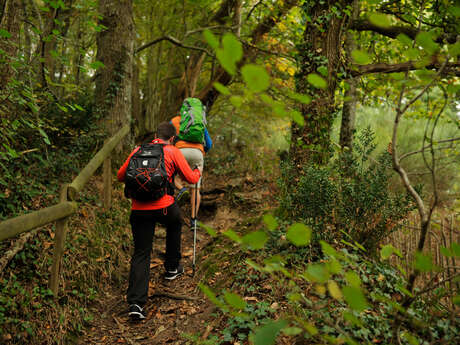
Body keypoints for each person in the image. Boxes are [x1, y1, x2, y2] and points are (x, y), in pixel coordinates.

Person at [117, 122, 201, 321]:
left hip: (138, 210)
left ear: (155, 135)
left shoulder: (138, 150)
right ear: (172, 138)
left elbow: (121, 176)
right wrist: (197, 171)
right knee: (175, 222)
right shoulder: (172, 151)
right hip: (163, 207)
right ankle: (172, 267)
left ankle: (136, 304)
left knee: (141, 252)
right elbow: (190, 178)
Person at [171, 104, 212, 230]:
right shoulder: (200, 122)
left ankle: (181, 190)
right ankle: (193, 220)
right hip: (197, 154)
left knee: (172, 177)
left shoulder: (175, 121)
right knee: (195, 188)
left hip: (180, 153)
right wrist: (201, 150)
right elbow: (209, 144)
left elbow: (168, 137)